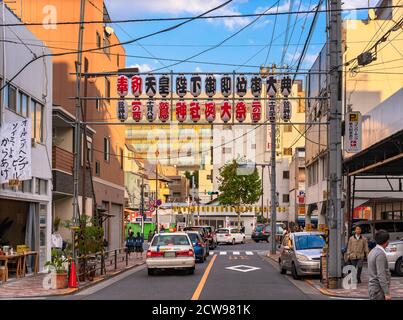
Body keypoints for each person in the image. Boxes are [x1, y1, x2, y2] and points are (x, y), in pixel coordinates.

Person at [368, 230, 391, 300]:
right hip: (378, 290)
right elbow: (381, 275)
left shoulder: (372, 251)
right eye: (388, 240)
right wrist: (386, 292)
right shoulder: (380, 254)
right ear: (386, 241)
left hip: (373, 288)